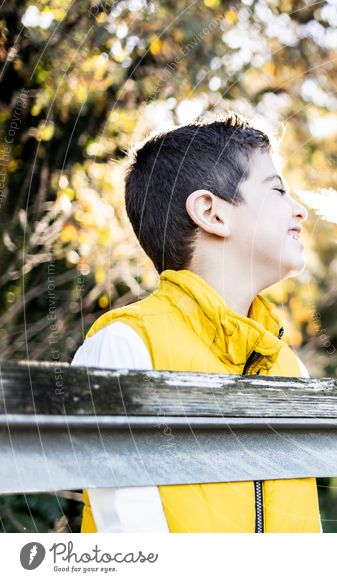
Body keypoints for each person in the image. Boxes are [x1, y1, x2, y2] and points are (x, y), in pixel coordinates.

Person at [72, 113, 321, 533]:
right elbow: (132, 549)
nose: (300, 212)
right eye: (278, 190)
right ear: (211, 212)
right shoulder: (125, 349)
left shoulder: (288, 368)